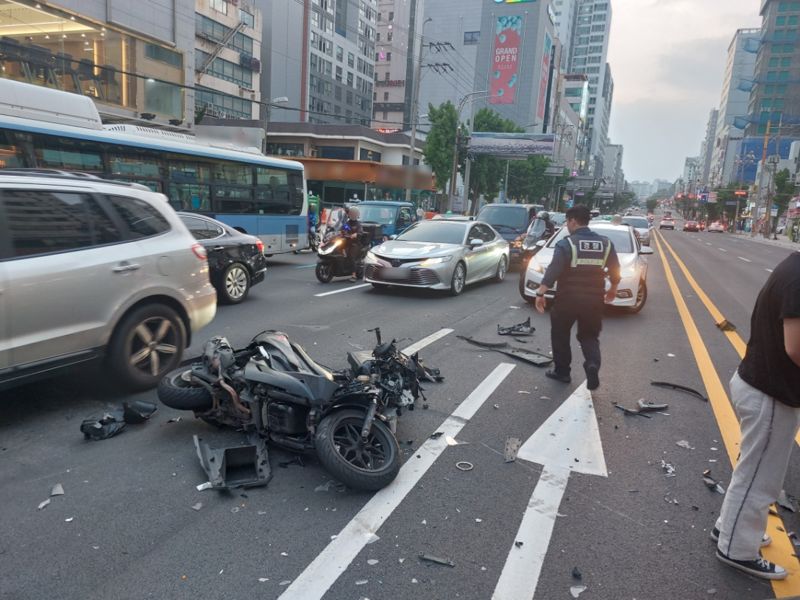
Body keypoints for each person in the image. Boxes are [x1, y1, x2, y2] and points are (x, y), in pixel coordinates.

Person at [712, 251, 800, 580]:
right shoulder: (798, 279)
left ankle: (729, 529)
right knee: (761, 480)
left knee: (753, 471)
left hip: (760, 385)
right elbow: (796, 347)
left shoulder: (793, 266)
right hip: (770, 394)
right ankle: (737, 550)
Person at [534, 205, 620, 391]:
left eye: (567, 221)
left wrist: (541, 292)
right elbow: (615, 269)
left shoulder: (567, 244)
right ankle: (592, 365)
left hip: (567, 299)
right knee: (589, 336)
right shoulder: (605, 244)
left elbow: (554, 270)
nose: (567, 225)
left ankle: (562, 372)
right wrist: (613, 287)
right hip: (594, 299)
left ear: (573, 221)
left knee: (560, 334)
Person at [343, 206, 364, 282]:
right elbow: (344, 230)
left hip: (355, 244)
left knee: (351, 256)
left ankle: (354, 275)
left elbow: (360, 232)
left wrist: (356, 234)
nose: (353, 214)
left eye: (354, 213)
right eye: (352, 213)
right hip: (346, 242)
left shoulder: (358, 224)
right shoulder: (347, 223)